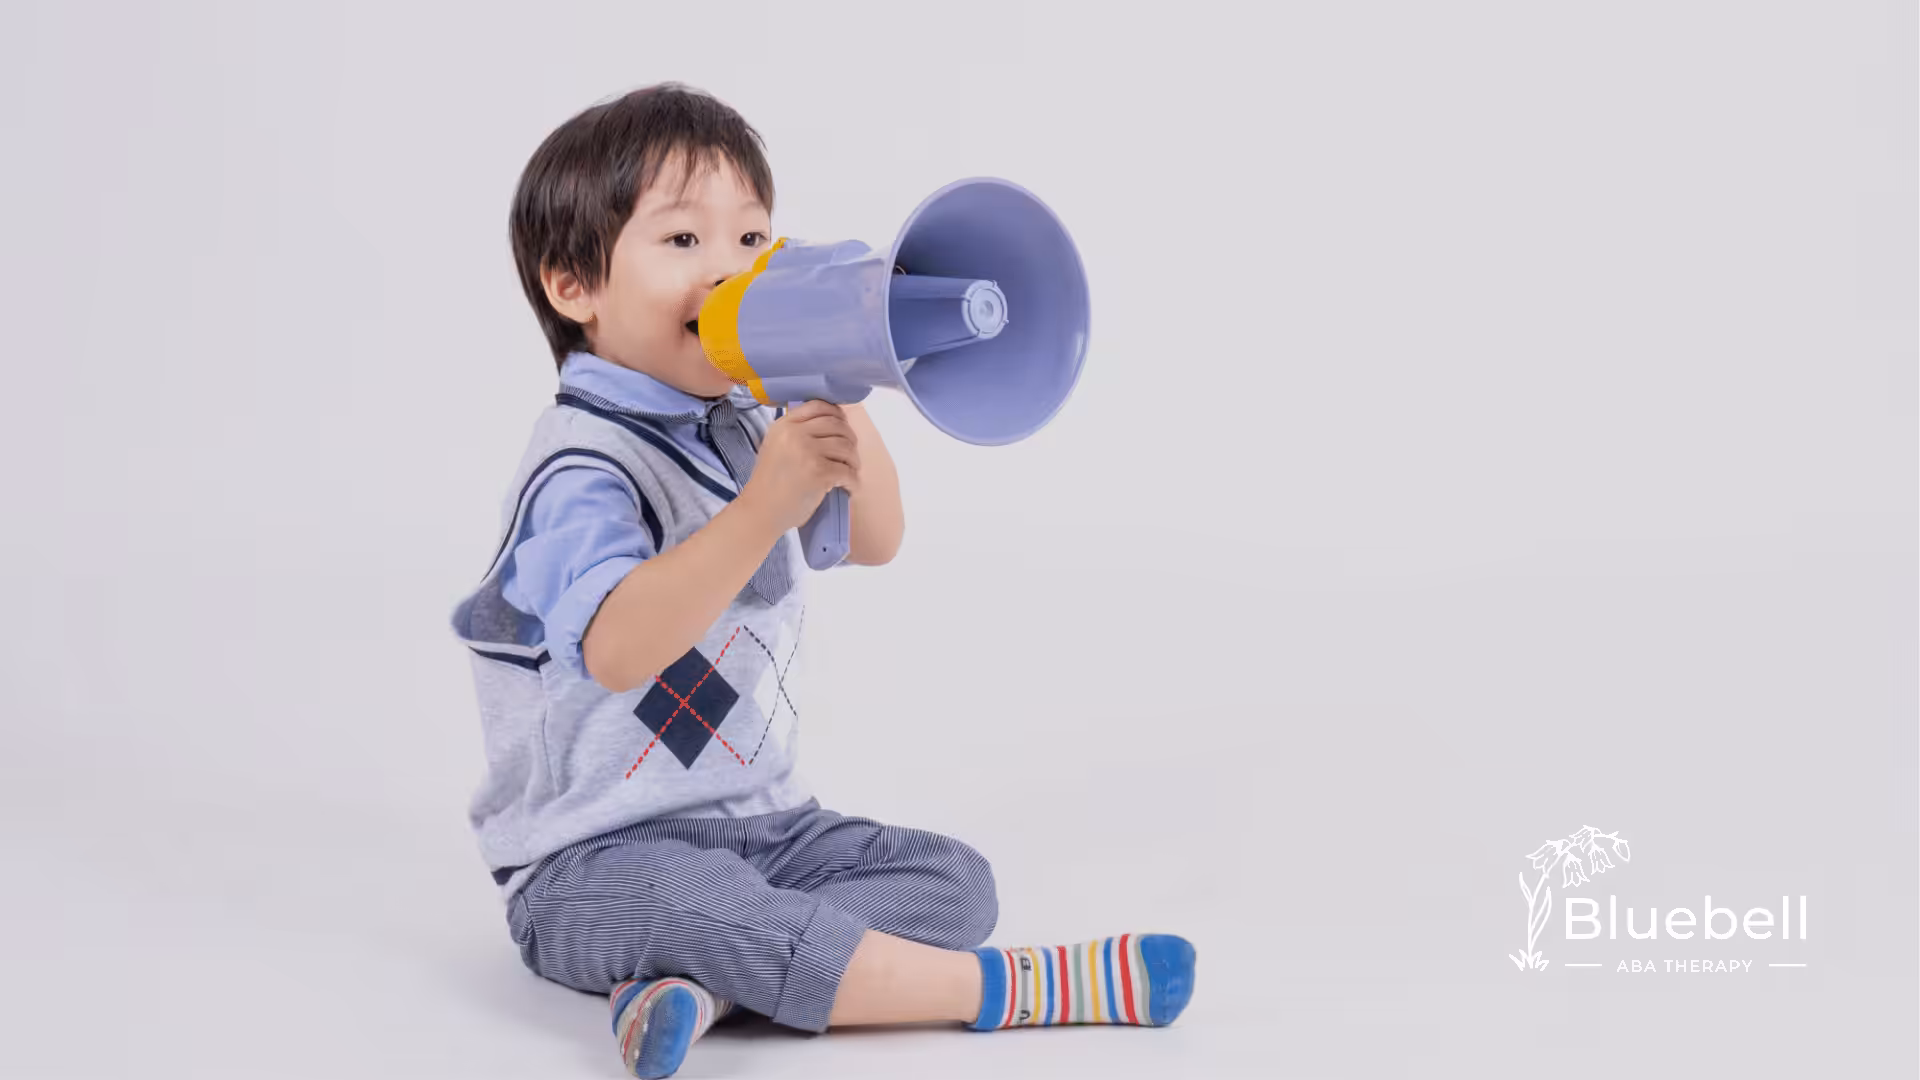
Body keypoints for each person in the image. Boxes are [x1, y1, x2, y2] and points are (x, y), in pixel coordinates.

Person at [450, 81, 1196, 1079]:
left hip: (769, 826)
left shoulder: (751, 421)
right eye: (683, 243)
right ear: (573, 285)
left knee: (953, 885)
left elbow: (877, 537)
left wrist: (841, 371)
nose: (729, 272)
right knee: (702, 908)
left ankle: (705, 986)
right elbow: (622, 647)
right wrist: (763, 507)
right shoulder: (581, 469)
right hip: (595, 863)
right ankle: (1011, 991)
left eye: (753, 239)